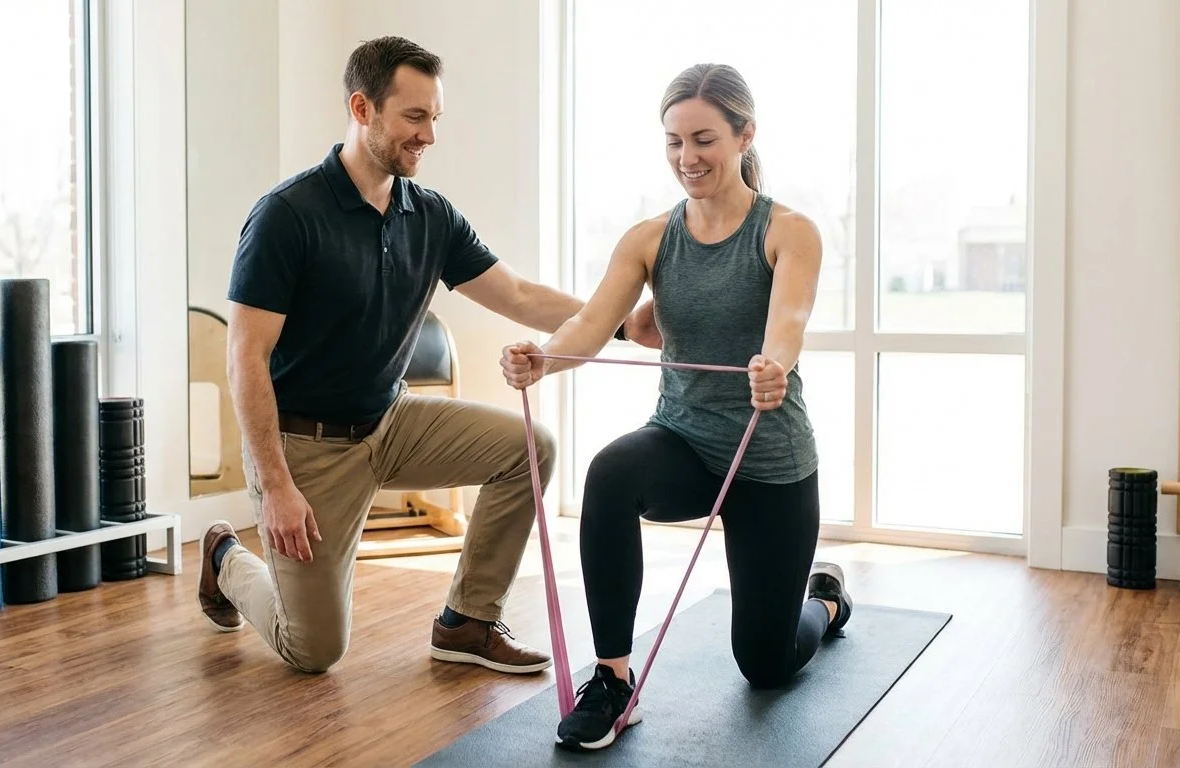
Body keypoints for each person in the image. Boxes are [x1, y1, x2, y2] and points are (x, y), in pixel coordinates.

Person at [194, 36, 654, 676]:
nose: (429, 135)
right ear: (362, 108)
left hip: (391, 421)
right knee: (313, 651)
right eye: (414, 117)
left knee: (531, 446)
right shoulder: (287, 217)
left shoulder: (429, 215)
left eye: (434, 117)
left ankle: (466, 621)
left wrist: (624, 324)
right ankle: (225, 558)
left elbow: (518, 294)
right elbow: (246, 357)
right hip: (307, 447)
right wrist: (274, 487)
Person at [501, 62, 853, 751]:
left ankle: (826, 599)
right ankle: (612, 680)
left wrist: (773, 367)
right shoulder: (650, 238)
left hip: (769, 459)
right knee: (611, 470)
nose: (687, 158)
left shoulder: (790, 230)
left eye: (704, 139)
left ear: (745, 135)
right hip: (684, 441)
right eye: (673, 142)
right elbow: (592, 324)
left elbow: (789, 320)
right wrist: (543, 358)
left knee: (767, 666)